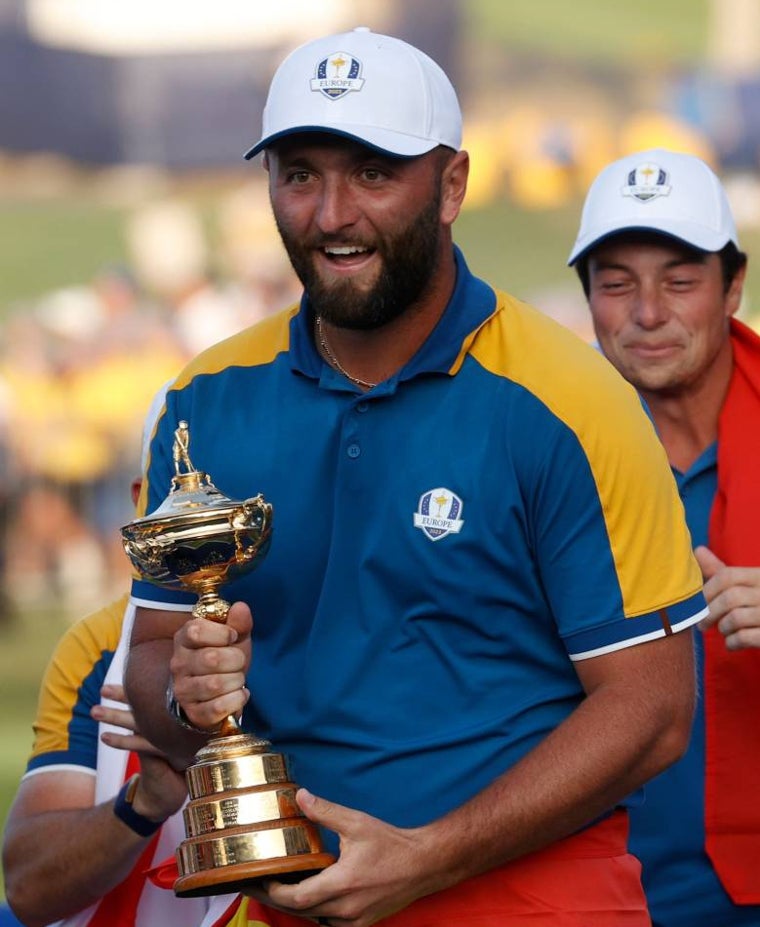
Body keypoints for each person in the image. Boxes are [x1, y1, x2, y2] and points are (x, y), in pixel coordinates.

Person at [126, 29, 705, 927]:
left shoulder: (570, 400)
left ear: (453, 185)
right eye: (300, 173)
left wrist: (431, 855)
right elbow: (152, 669)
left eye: (372, 172)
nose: (330, 214)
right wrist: (184, 693)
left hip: (530, 905)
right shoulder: (204, 401)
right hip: (286, 907)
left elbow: (654, 706)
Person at [569, 147, 760, 926]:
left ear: (733, 287)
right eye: (617, 283)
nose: (649, 312)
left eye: (680, 280)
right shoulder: (541, 447)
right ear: (588, 299)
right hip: (593, 891)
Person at [1, 387, 217, 927]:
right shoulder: (97, 646)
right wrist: (143, 802)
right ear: (139, 503)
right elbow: (29, 888)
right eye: (180, 495)